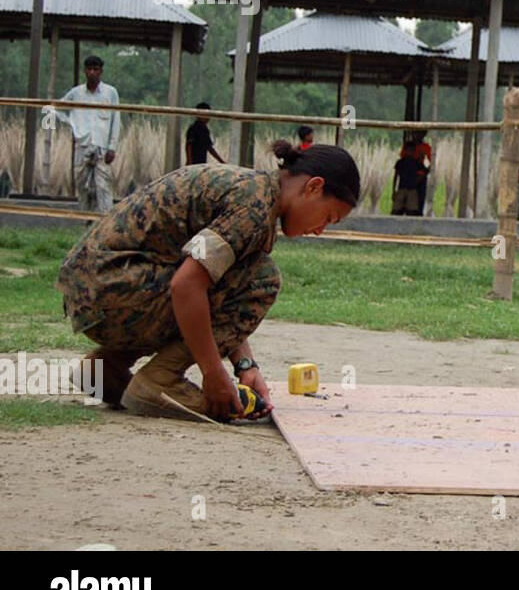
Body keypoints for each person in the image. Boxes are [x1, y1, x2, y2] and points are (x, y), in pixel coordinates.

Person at [56, 140, 359, 420]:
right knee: (263, 279)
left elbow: (215, 284)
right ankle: (160, 380)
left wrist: (245, 365)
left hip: (98, 291)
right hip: (112, 290)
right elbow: (186, 285)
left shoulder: (253, 190)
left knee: (243, 275)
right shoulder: (252, 209)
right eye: (329, 217)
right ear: (314, 187)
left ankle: (104, 368)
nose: (320, 230)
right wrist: (214, 374)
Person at [57, 55, 122, 213]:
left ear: (101, 71)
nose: (92, 72)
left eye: (96, 69)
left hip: (102, 146)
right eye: (89, 69)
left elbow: (115, 120)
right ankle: (84, 219)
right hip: (82, 145)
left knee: (103, 186)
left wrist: (112, 147)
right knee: (82, 185)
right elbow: (56, 108)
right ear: (85, 71)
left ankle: (105, 222)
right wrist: (72, 124)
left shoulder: (110, 93)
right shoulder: (76, 93)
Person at [392, 140, 424, 215]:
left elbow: (424, 172)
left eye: (411, 150)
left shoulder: (416, 163)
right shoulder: (400, 162)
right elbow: (395, 177)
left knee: (412, 211)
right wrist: (394, 191)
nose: (409, 152)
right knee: (396, 210)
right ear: (405, 150)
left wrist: (416, 182)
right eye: (408, 150)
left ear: (414, 151)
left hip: (412, 190)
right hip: (401, 188)